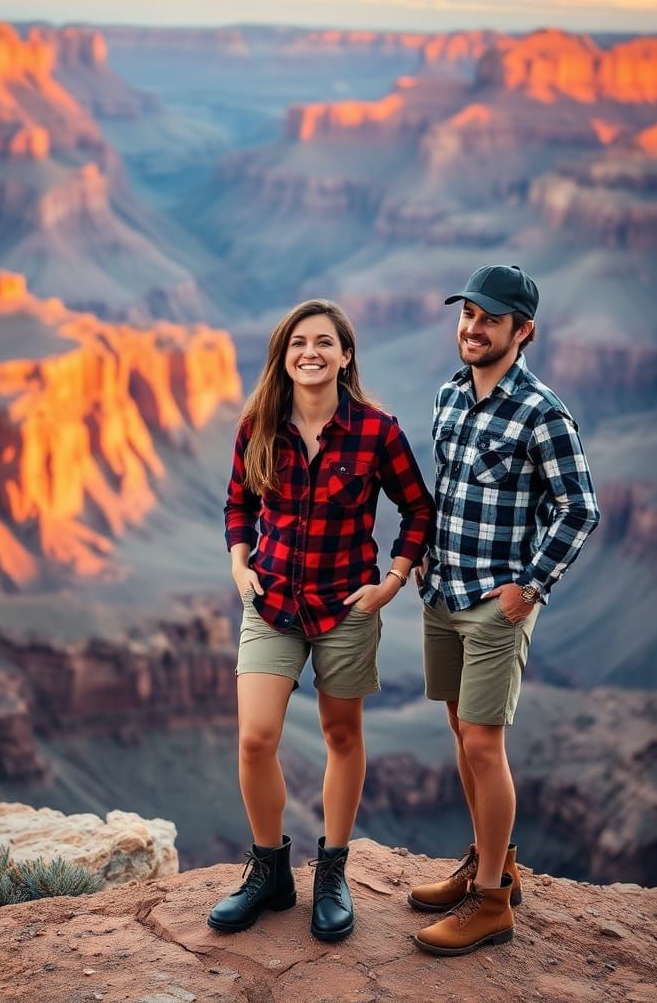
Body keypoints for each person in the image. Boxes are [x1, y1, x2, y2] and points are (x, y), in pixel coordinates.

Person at [209, 298, 434, 942]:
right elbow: (236, 502)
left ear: (345, 354)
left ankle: (331, 871)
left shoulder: (377, 431)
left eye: (324, 342)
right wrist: (238, 562)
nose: (311, 353)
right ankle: (269, 872)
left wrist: (391, 582)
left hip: (346, 606)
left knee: (341, 736)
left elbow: (417, 509)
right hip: (272, 602)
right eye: (298, 343)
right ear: (283, 356)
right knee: (255, 737)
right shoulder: (258, 425)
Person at [410, 264, 600, 956]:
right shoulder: (449, 397)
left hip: (496, 605)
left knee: (484, 745)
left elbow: (580, 508)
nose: (473, 327)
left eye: (490, 318)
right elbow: (448, 489)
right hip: (444, 593)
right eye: (467, 313)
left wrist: (530, 587)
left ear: (523, 332)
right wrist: (426, 554)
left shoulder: (542, 412)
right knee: (463, 734)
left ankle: (491, 903)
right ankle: (491, 865)